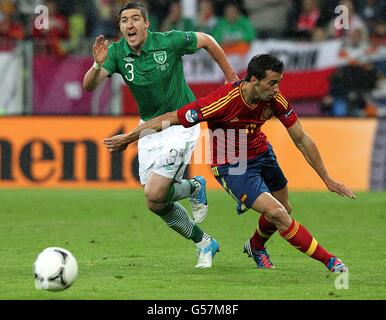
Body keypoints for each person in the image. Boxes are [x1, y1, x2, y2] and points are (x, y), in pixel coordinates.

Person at [103, 54, 356, 272]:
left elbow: (301, 138)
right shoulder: (222, 101)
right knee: (277, 213)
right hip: (232, 165)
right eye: (272, 83)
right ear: (254, 81)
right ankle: (331, 261)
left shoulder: (274, 99)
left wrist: (327, 179)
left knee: (285, 208)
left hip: (262, 152)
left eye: (279, 82)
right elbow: (170, 118)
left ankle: (255, 246)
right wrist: (129, 138)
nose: (277, 89)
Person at [83, 1, 238, 268]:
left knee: (155, 190)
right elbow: (89, 86)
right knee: (154, 202)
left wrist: (231, 76)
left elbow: (207, 40)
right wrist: (97, 66)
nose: (129, 25)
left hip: (181, 124)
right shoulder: (118, 52)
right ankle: (204, 240)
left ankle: (193, 187)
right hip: (150, 128)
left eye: (135, 19)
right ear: (120, 27)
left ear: (146, 24)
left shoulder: (169, 41)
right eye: (123, 20)